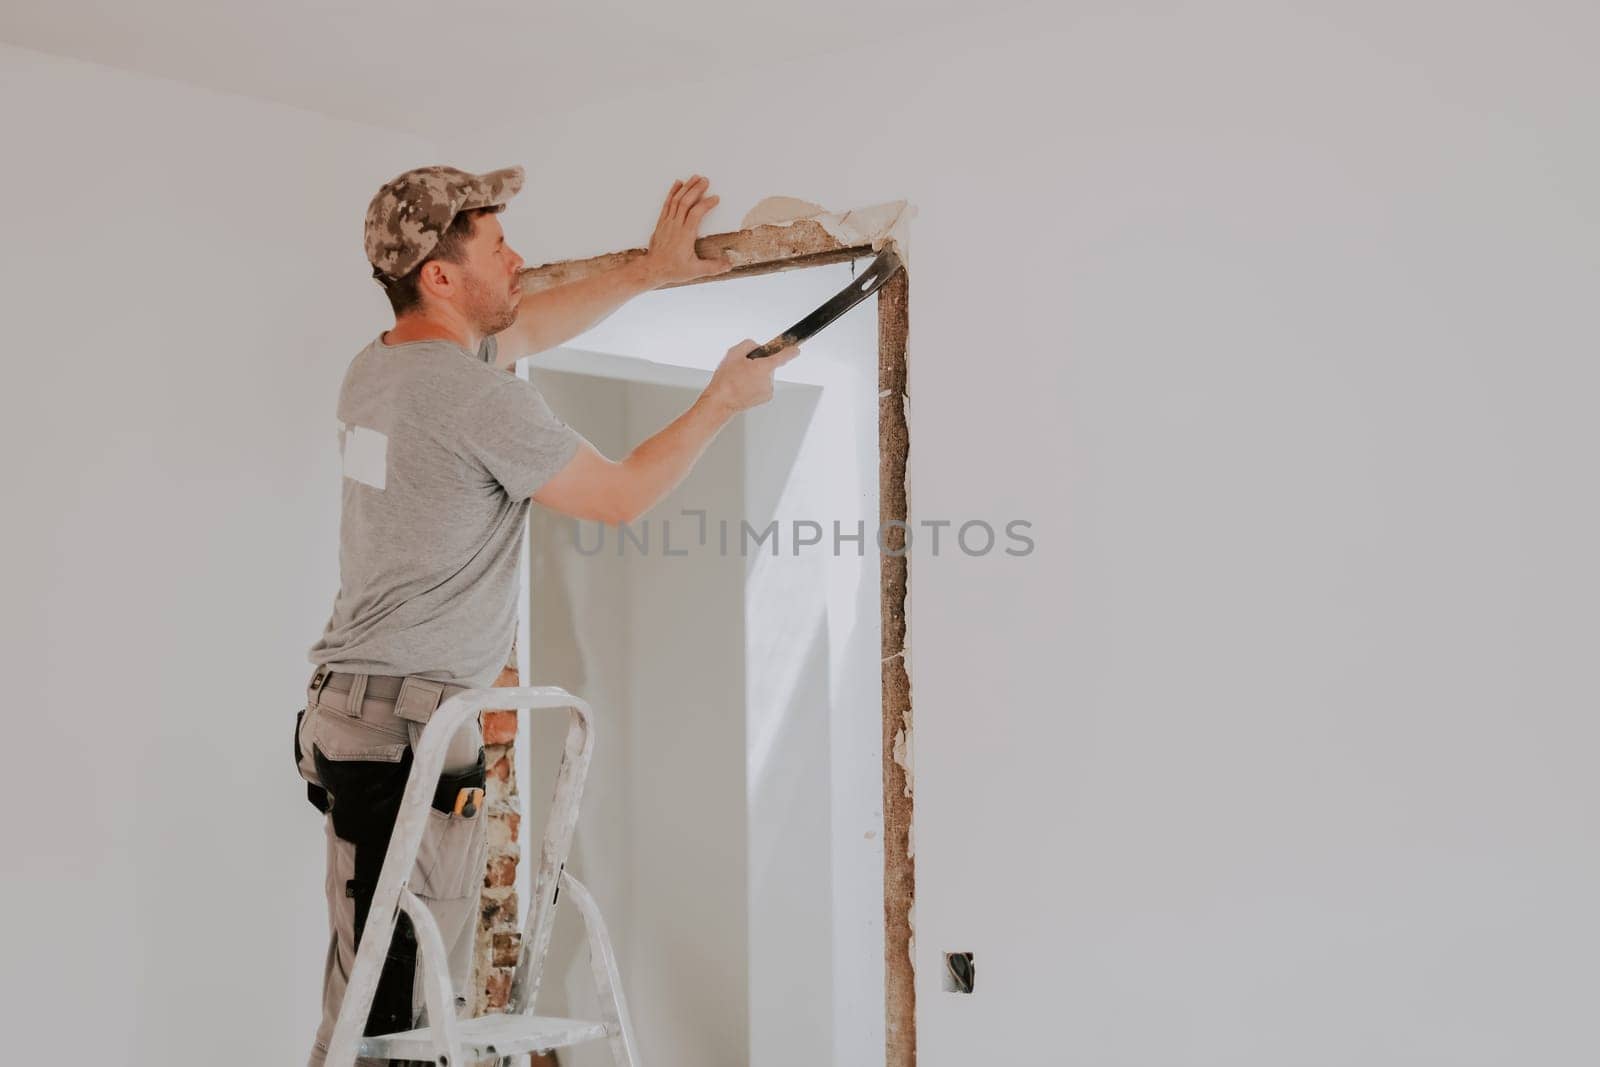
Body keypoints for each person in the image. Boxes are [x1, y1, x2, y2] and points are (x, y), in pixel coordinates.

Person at [292, 164, 798, 1066]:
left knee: (370, 989)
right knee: (396, 1022)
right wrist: (721, 402)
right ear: (440, 278)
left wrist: (651, 268)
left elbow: (523, 325)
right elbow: (618, 496)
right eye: (497, 246)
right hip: (408, 730)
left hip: (356, 715)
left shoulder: (382, 367)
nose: (519, 257)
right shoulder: (474, 398)